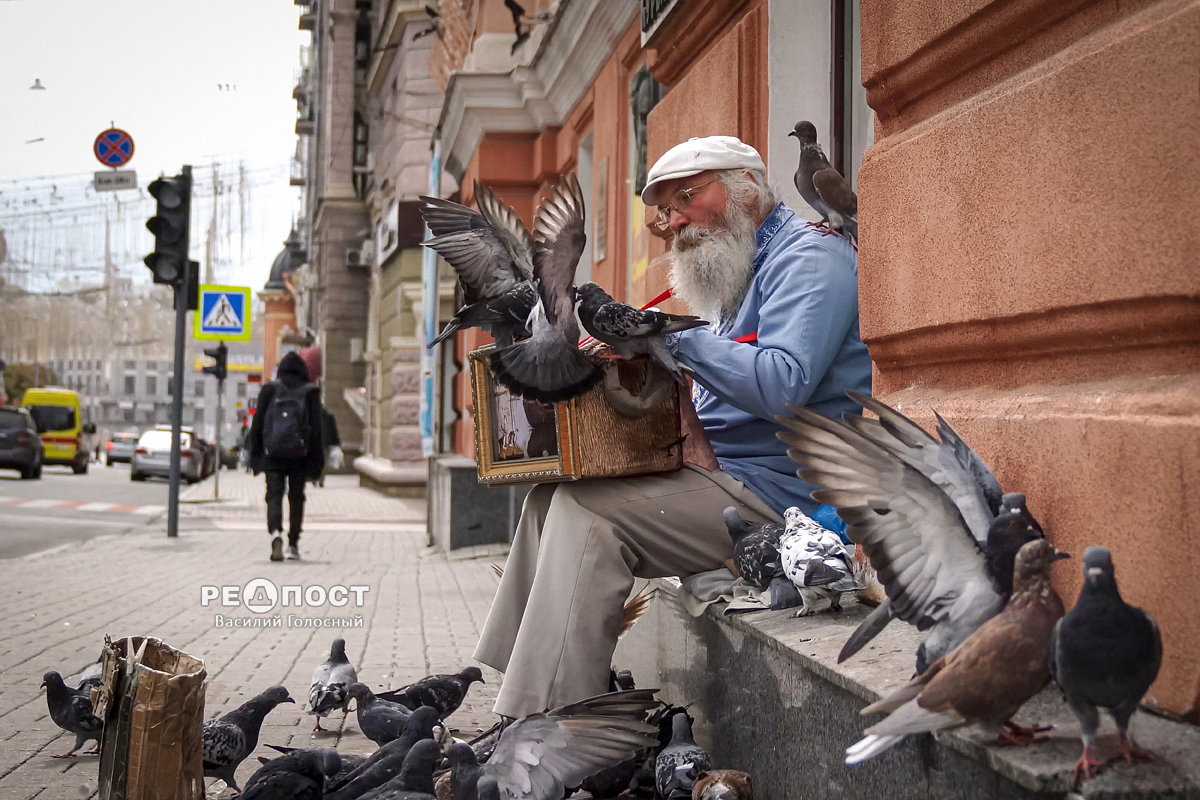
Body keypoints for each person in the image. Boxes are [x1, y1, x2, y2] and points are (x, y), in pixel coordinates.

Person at [473, 135, 873, 719]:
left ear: (746, 188)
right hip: (723, 475)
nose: (674, 220)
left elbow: (783, 384)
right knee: (548, 496)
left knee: (589, 516)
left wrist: (670, 335)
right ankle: (529, 694)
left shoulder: (808, 258)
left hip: (782, 498)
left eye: (686, 197)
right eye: (665, 209)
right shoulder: (737, 267)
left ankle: (552, 727)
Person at [247, 351, 325, 561]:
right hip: (300, 454)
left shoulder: (269, 390)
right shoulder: (311, 392)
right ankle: (293, 544)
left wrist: (255, 457)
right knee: (296, 496)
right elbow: (317, 431)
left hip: (273, 452)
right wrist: (317, 464)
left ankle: (275, 533)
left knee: (274, 493)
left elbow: (257, 425)